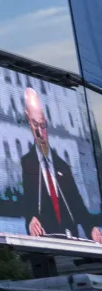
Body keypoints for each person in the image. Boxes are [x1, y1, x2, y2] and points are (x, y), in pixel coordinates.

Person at [18, 87, 102, 242]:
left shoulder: (62, 165)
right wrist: (31, 220)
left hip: (70, 238)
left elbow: (77, 203)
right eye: (35, 125)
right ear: (28, 119)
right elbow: (26, 201)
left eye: (42, 125)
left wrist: (91, 228)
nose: (39, 132)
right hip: (44, 239)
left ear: (47, 123)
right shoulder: (26, 163)